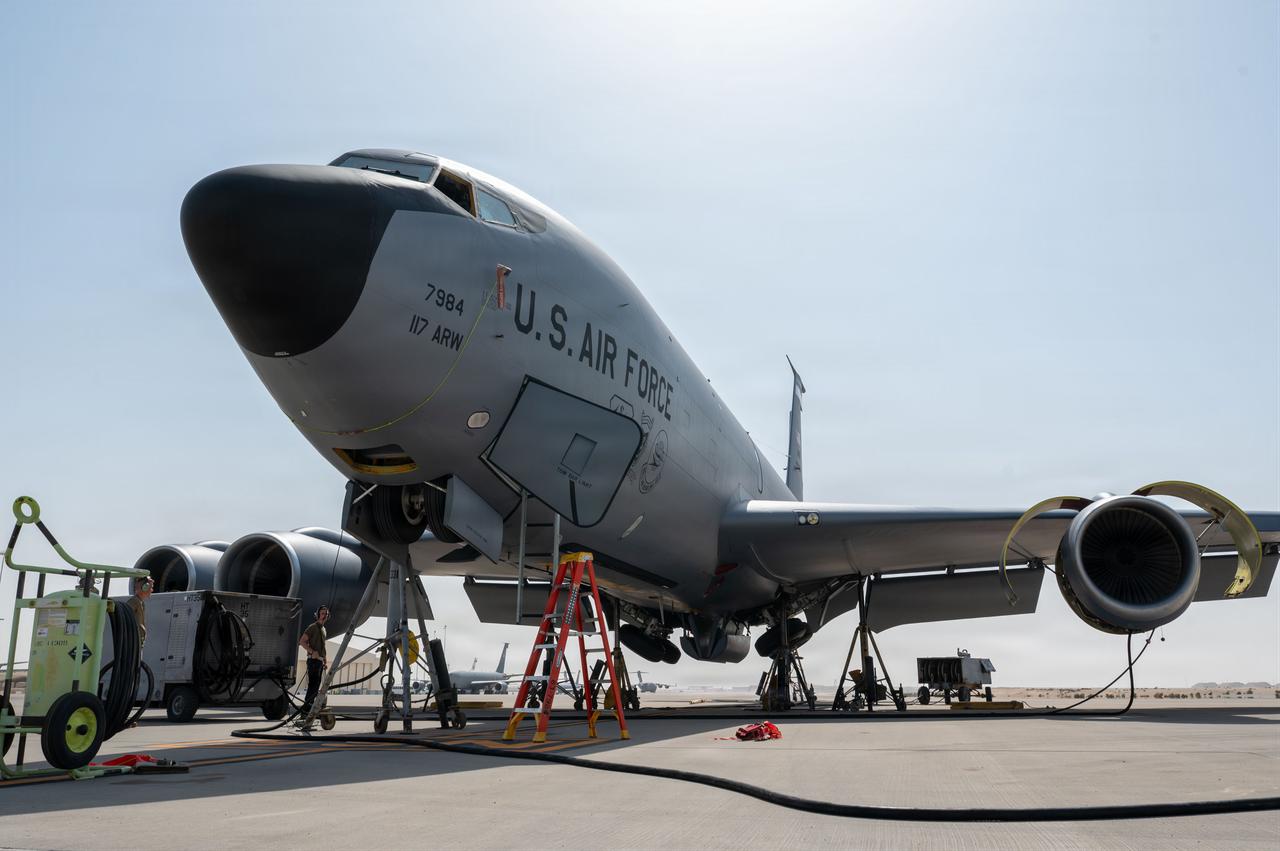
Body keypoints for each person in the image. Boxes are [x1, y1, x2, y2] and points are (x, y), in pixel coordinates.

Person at [298, 605, 330, 718]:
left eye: (326, 613)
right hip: (313, 661)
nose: (324, 615)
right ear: (317, 615)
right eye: (322, 613)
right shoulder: (312, 627)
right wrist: (311, 652)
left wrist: (324, 659)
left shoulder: (323, 629)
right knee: (312, 688)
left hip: (320, 662)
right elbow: (302, 641)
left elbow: (322, 646)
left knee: (316, 688)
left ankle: (311, 712)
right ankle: (305, 713)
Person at [125, 576, 153, 647]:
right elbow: (125, 617)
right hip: (133, 643)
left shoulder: (140, 603)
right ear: (144, 588)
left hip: (137, 642)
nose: (152, 590)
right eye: (150, 587)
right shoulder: (134, 602)